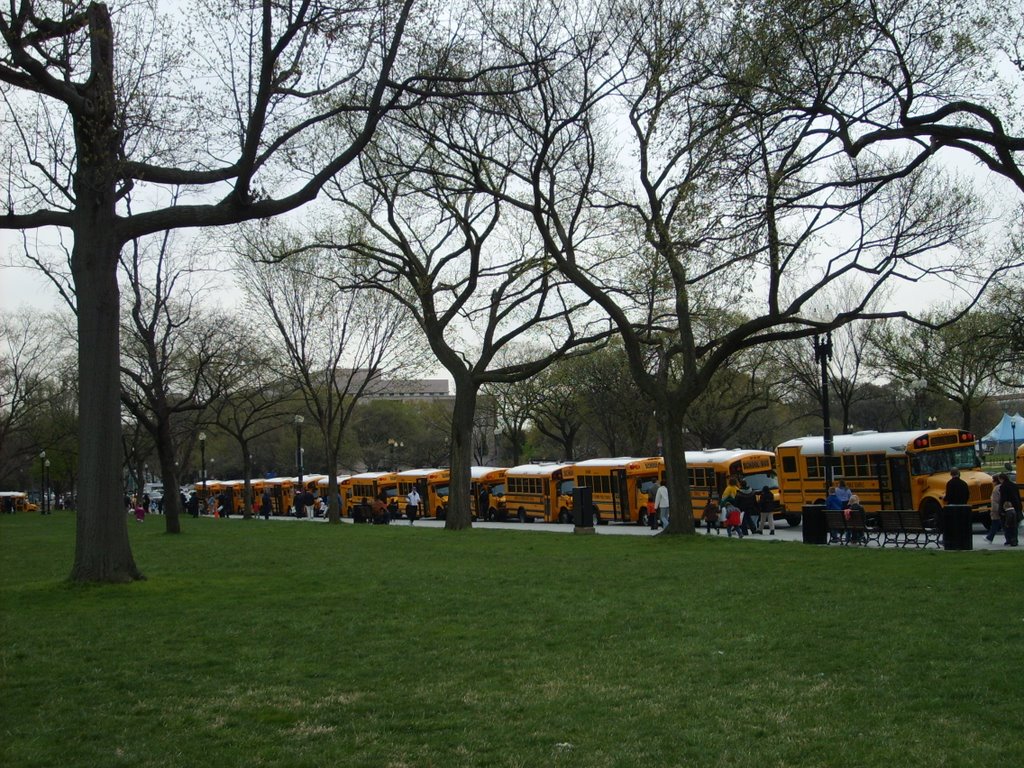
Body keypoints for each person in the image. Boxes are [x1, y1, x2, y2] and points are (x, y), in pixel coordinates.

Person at [997, 474, 1021, 546]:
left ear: (1001, 479)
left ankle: (1009, 539)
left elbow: (1003, 498)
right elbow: (1018, 496)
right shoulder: (1014, 485)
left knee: (1006, 524)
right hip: (1016, 507)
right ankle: (1015, 539)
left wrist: (1001, 509)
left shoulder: (1003, 487)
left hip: (1007, 508)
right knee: (1014, 525)